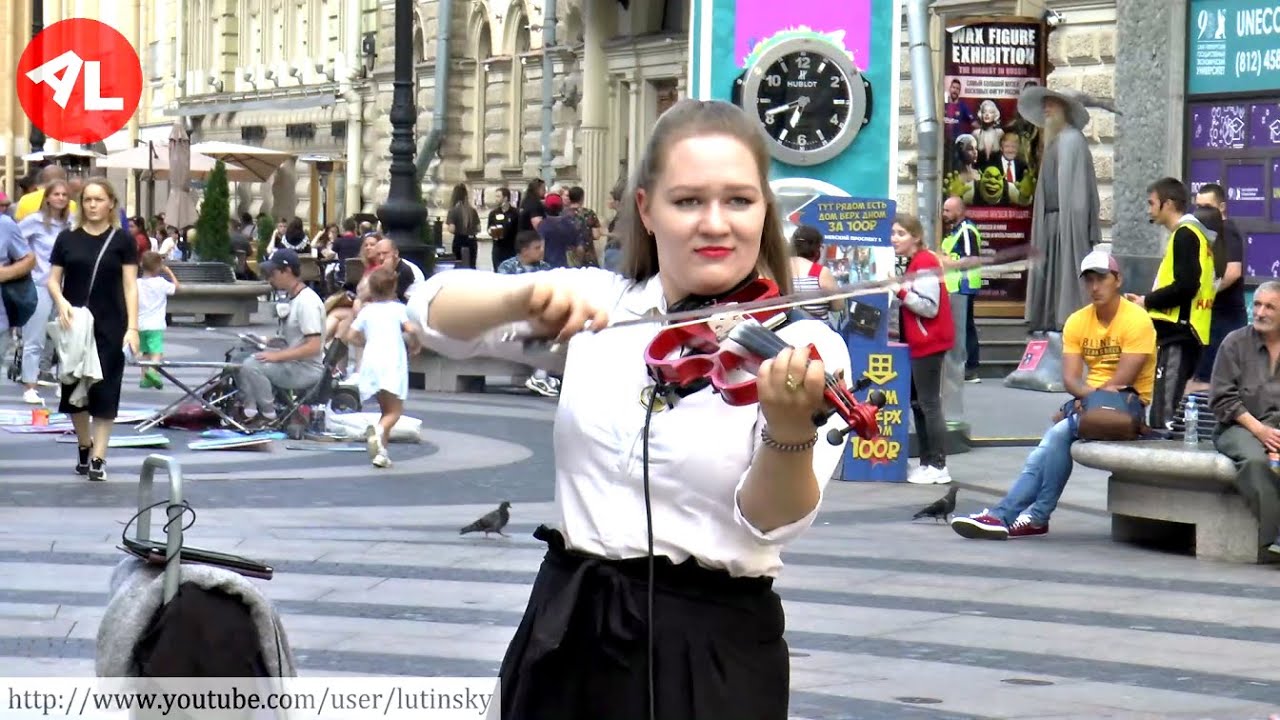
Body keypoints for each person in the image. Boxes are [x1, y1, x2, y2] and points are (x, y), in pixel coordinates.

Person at [406, 98, 852, 720]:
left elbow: (769, 522)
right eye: (689, 200)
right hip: (566, 628)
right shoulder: (603, 304)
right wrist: (520, 298)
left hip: (707, 650)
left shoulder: (806, 347)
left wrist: (787, 430)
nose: (715, 224)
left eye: (739, 201)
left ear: (764, 212)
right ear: (646, 208)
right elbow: (430, 314)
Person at [953, 251, 1156, 538]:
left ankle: (1006, 515)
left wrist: (1079, 403)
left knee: (1054, 439)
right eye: (1089, 280)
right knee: (1052, 444)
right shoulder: (1077, 321)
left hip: (1128, 409)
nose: (1095, 287)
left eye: (1102, 279)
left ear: (1118, 279)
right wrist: (1082, 402)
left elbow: (1122, 382)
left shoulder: (1137, 319)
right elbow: (1070, 379)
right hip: (1086, 404)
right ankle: (1033, 517)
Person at [46, 178, 139, 482]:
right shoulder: (67, 239)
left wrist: (133, 327)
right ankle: (84, 444)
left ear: (111, 202)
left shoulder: (123, 240)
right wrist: (60, 301)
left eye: (99, 199)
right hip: (74, 324)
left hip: (111, 324)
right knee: (75, 392)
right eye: (87, 200)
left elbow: (130, 286)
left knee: (105, 389)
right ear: (81, 204)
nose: (93, 205)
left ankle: (99, 456)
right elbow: (52, 280)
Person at [1124, 177, 1216, 431]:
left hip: (1179, 332)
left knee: (1164, 413)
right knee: (1170, 406)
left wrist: (1148, 301)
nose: (1149, 209)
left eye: (1152, 203)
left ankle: (1162, 462)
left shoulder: (1185, 234)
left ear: (1169, 204)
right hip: (1187, 331)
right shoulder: (1195, 234)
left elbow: (1187, 286)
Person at [1017, 87, 1104, 332]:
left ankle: (1068, 320)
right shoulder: (1054, 141)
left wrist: (1074, 227)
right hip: (1051, 222)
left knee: (1068, 272)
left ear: (1064, 109)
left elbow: (1077, 193)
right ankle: (1049, 320)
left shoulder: (1072, 140)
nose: (1046, 109)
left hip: (1067, 222)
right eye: (1044, 104)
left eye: (1051, 104)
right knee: (1052, 275)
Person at [1211, 281, 1280, 556]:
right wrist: (1260, 430)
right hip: (1239, 425)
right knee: (1254, 461)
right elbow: (1221, 398)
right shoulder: (1235, 343)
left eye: (1270, 307)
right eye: (1258, 304)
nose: (1260, 312)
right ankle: (1275, 534)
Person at [891, 214, 955, 485]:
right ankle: (928, 462)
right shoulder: (916, 263)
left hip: (929, 342)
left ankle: (938, 465)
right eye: (893, 233)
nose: (894, 238)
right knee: (919, 403)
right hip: (919, 342)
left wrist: (901, 292)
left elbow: (930, 306)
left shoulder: (926, 262)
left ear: (915, 237)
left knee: (929, 404)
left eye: (901, 233)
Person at [237, 249, 325, 428]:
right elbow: (293, 339)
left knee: (252, 365)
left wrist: (276, 356)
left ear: (287, 271)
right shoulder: (293, 298)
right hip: (294, 363)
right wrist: (265, 341)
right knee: (241, 355)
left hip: (306, 369)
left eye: (273, 273)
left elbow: (314, 346)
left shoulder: (307, 302)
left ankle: (268, 414)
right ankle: (249, 409)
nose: (270, 278)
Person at [345, 266, 419, 468]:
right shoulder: (398, 309)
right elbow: (411, 329)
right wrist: (415, 343)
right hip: (392, 361)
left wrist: (363, 342)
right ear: (394, 287)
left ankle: (381, 453)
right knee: (394, 412)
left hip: (371, 361)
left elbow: (350, 335)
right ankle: (378, 432)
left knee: (385, 409)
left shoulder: (367, 311)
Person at [15, 179, 73, 404]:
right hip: (39, 283)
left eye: (64, 195)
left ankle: (65, 381)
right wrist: (25, 264)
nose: (60, 198)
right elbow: (14, 241)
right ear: (47, 197)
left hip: (67, 286)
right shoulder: (34, 221)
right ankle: (30, 384)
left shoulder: (72, 223)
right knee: (35, 336)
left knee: (67, 338)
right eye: (56, 194)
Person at [1188, 183, 1247, 395]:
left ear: (1222, 207)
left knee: (1209, 382)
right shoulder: (1205, 234)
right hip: (1208, 318)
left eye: (1207, 206)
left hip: (1224, 320)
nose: (1201, 212)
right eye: (1198, 207)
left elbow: (1233, 272)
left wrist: (1203, 293)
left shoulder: (1226, 231)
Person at [497, 230, 560, 397]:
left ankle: (541, 375)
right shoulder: (507, 268)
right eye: (537, 248)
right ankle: (540, 375)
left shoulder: (546, 269)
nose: (541, 251)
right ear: (524, 250)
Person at [939, 196, 984, 382]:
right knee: (961, 327)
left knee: (964, 328)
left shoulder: (966, 230)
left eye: (948, 210)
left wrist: (948, 262)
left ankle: (970, 369)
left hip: (963, 286)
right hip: (956, 286)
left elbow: (971, 258)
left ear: (959, 211)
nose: (944, 214)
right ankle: (963, 367)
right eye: (944, 210)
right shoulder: (956, 231)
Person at [135, 251, 180, 389]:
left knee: (144, 351)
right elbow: (176, 287)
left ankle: (143, 378)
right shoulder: (161, 282)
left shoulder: (137, 283)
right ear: (158, 267)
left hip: (140, 323)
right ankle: (153, 372)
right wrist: (169, 272)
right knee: (156, 351)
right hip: (155, 324)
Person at [787, 225, 839, 322]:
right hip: (817, 334)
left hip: (784, 333)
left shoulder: (779, 268)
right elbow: (838, 306)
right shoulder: (821, 273)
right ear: (818, 248)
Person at [446, 183, 480, 269]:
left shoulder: (453, 211)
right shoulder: (472, 211)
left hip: (459, 240)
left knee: (460, 265)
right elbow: (478, 228)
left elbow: (452, 229)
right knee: (472, 265)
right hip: (472, 241)